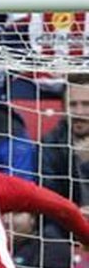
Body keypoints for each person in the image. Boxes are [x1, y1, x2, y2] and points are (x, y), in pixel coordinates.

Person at [41, 73, 89, 208]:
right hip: (69, 220)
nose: (79, 112)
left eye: (86, 104)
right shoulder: (51, 143)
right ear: (63, 108)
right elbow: (49, 197)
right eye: (73, 104)